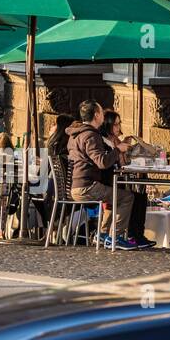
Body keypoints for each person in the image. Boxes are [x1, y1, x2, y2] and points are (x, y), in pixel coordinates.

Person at [64, 101, 135, 250]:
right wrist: (118, 149)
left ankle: (103, 235)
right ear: (96, 115)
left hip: (74, 186)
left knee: (111, 193)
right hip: (87, 186)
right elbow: (102, 162)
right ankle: (115, 238)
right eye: (102, 112)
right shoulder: (91, 135)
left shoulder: (75, 134)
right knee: (127, 197)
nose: (103, 115)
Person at [100, 111, 154, 249]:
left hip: (119, 178)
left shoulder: (115, 140)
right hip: (109, 181)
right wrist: (121, 149)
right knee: (134, 197)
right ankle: (130, 235)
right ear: (107, 125)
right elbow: (119, 163)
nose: (118, 127)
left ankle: (137, 234)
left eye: (119, 124)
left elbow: (123, 162)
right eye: (115, 124)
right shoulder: (105, 140)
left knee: (141, 195)